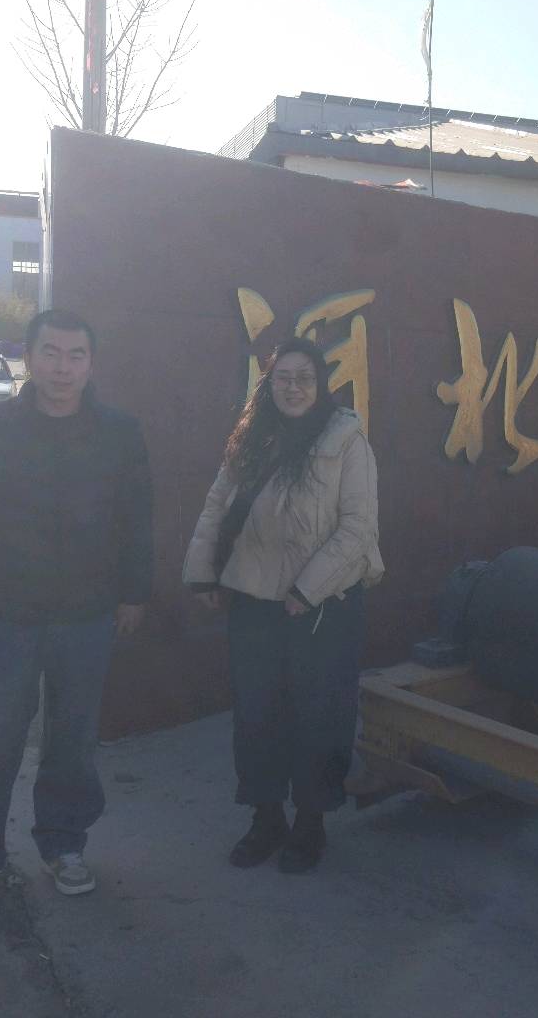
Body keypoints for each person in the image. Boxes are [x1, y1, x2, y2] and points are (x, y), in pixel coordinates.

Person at [0, 308, 153, 916]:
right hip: (8, 613)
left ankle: (64, 845)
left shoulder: (118, 434)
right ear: (29, 359)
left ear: (91, 364)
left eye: (76, 355)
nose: (63, 367)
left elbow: (137, 519)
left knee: (73, 740)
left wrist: (134, 593)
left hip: (86, 616)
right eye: (51, 353)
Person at [183, 337, 383, 874]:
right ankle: (266, 817)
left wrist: (306, 590)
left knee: (318, 717)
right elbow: (217, 508)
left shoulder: (346, 441)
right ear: (268, 386)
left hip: (323, 607)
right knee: (257, 715)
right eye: (283, 379)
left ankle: (310, 823)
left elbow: (358, 529)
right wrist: (203, 573)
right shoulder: (252, 439)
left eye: (304, 379)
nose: (294, 388)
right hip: (254, 600)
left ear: (321, 386)